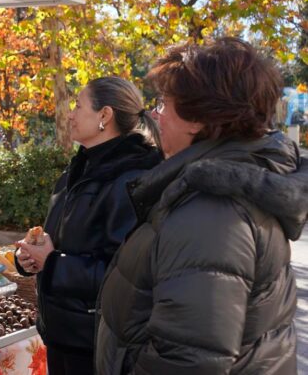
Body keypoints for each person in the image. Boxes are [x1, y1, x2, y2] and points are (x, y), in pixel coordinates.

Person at [96, 38, 307, 374]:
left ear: (197, 119)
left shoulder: (213, 210)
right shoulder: (222, 187)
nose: (156, 113)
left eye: (164, 103)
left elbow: (187, 361)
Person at [15, 77, 162, 375]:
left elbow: (124, 274)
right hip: (63, 335)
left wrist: (54, 263)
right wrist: (32, 257)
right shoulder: (79, 169)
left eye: (78, 106)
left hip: (95, 345)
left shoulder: (130, 180)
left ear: (104, 116)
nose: (70, 114)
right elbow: (63, 241)